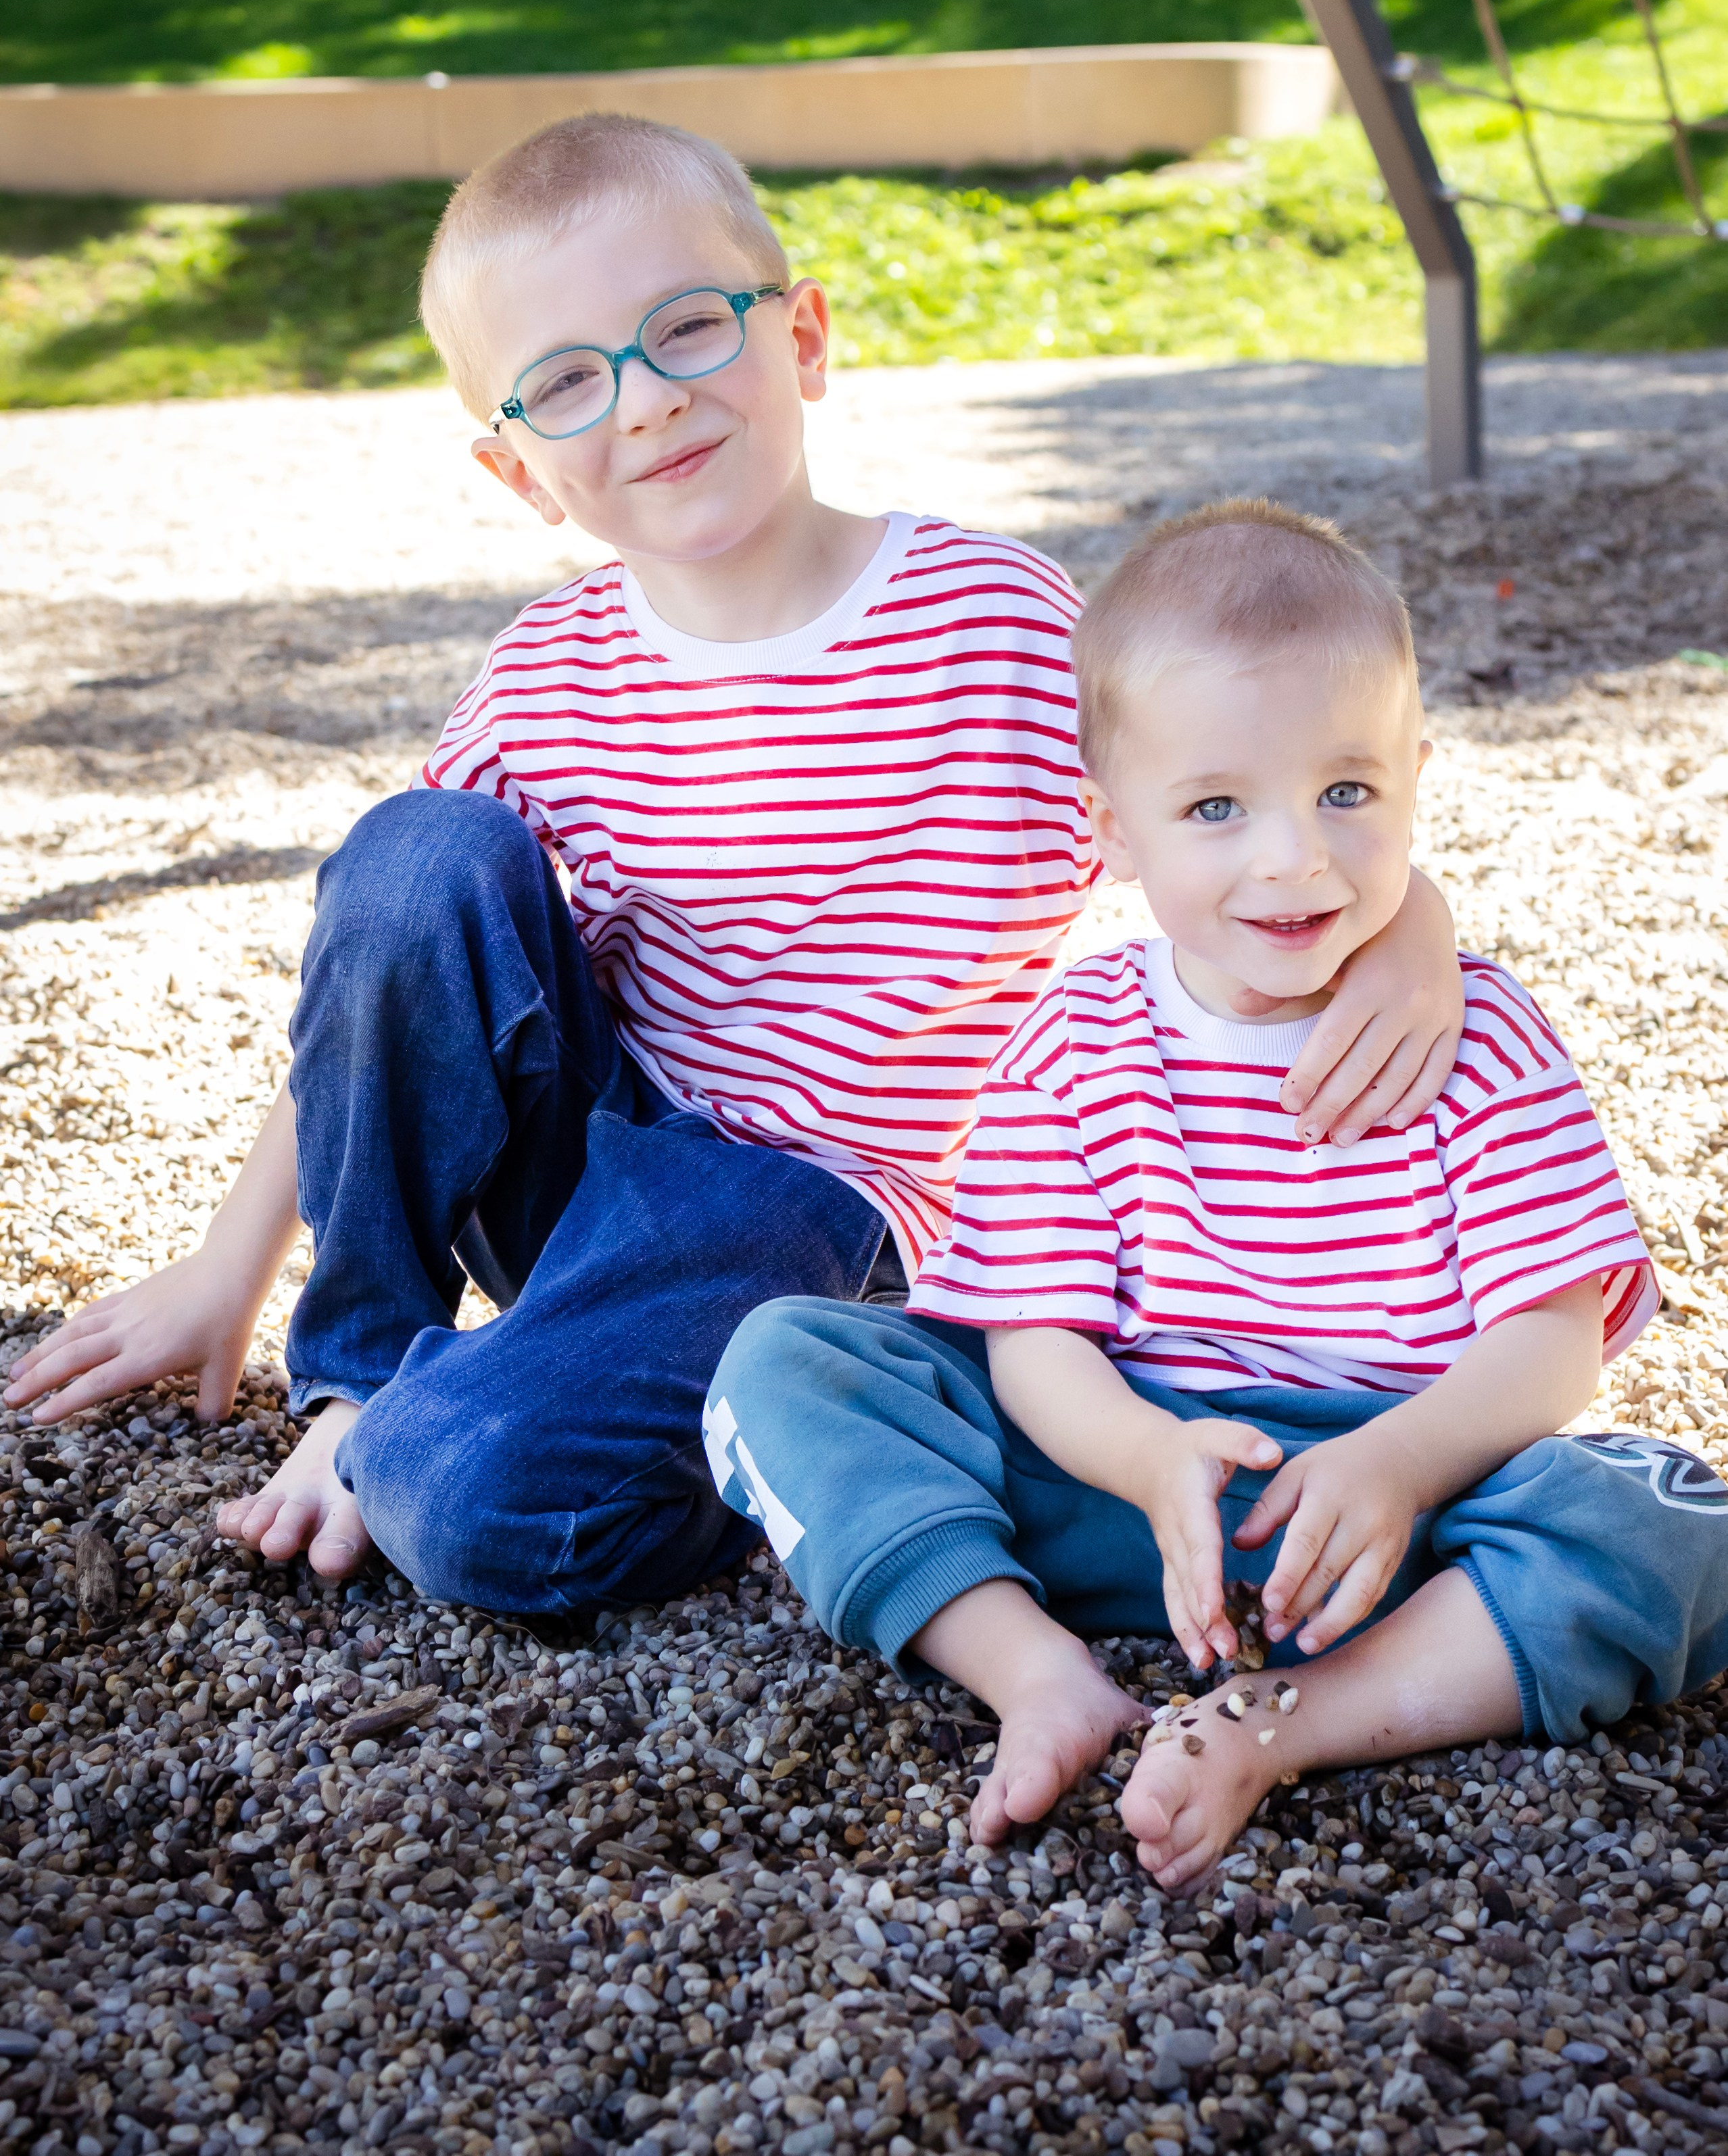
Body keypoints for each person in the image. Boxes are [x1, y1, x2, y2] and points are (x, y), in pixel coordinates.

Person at [3, 124, 1464, 1620]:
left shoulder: (998, 628)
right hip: (592, 1173)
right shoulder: (547, 680)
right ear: (520, 472)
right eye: (569, 379)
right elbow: (384, 987)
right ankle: (355, 1385)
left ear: (805, 336)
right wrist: (223, 1270)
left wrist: (1415, 923)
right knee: (415, 853)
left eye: (688, 328)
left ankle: (764, 1425)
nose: (645, 402)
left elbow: (1234, 796)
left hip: (828, 1214)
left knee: (469, 1506)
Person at [704, 499, 1728, 1890]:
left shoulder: (1475, 1033)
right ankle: (1032, 1667)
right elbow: (1037, 1340)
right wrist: (1143, 1455)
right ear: (1112, 828)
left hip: (1402, 1512)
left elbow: (1551, 1338)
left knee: (1662, 1512)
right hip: (1123, 1485)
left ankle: (1286, 1719)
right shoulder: (1076, 1040)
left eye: (1347, 792)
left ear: (1419, 779)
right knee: (789, 1359)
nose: (1294, 859)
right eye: (1216, 808)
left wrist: (1400, 1461)